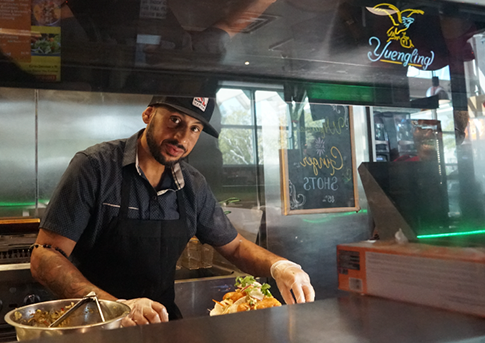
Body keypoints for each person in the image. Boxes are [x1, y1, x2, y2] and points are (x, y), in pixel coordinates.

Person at [30, 95, 315, 327]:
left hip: (161, 325)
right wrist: (114, 308)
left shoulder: (192, 185)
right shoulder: (95, 168)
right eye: (175, 120)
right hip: (96, 326)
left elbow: (235, 247)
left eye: (194, 129)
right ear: (148, 115)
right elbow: (45, 256)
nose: (182, 137)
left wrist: (280, 267)